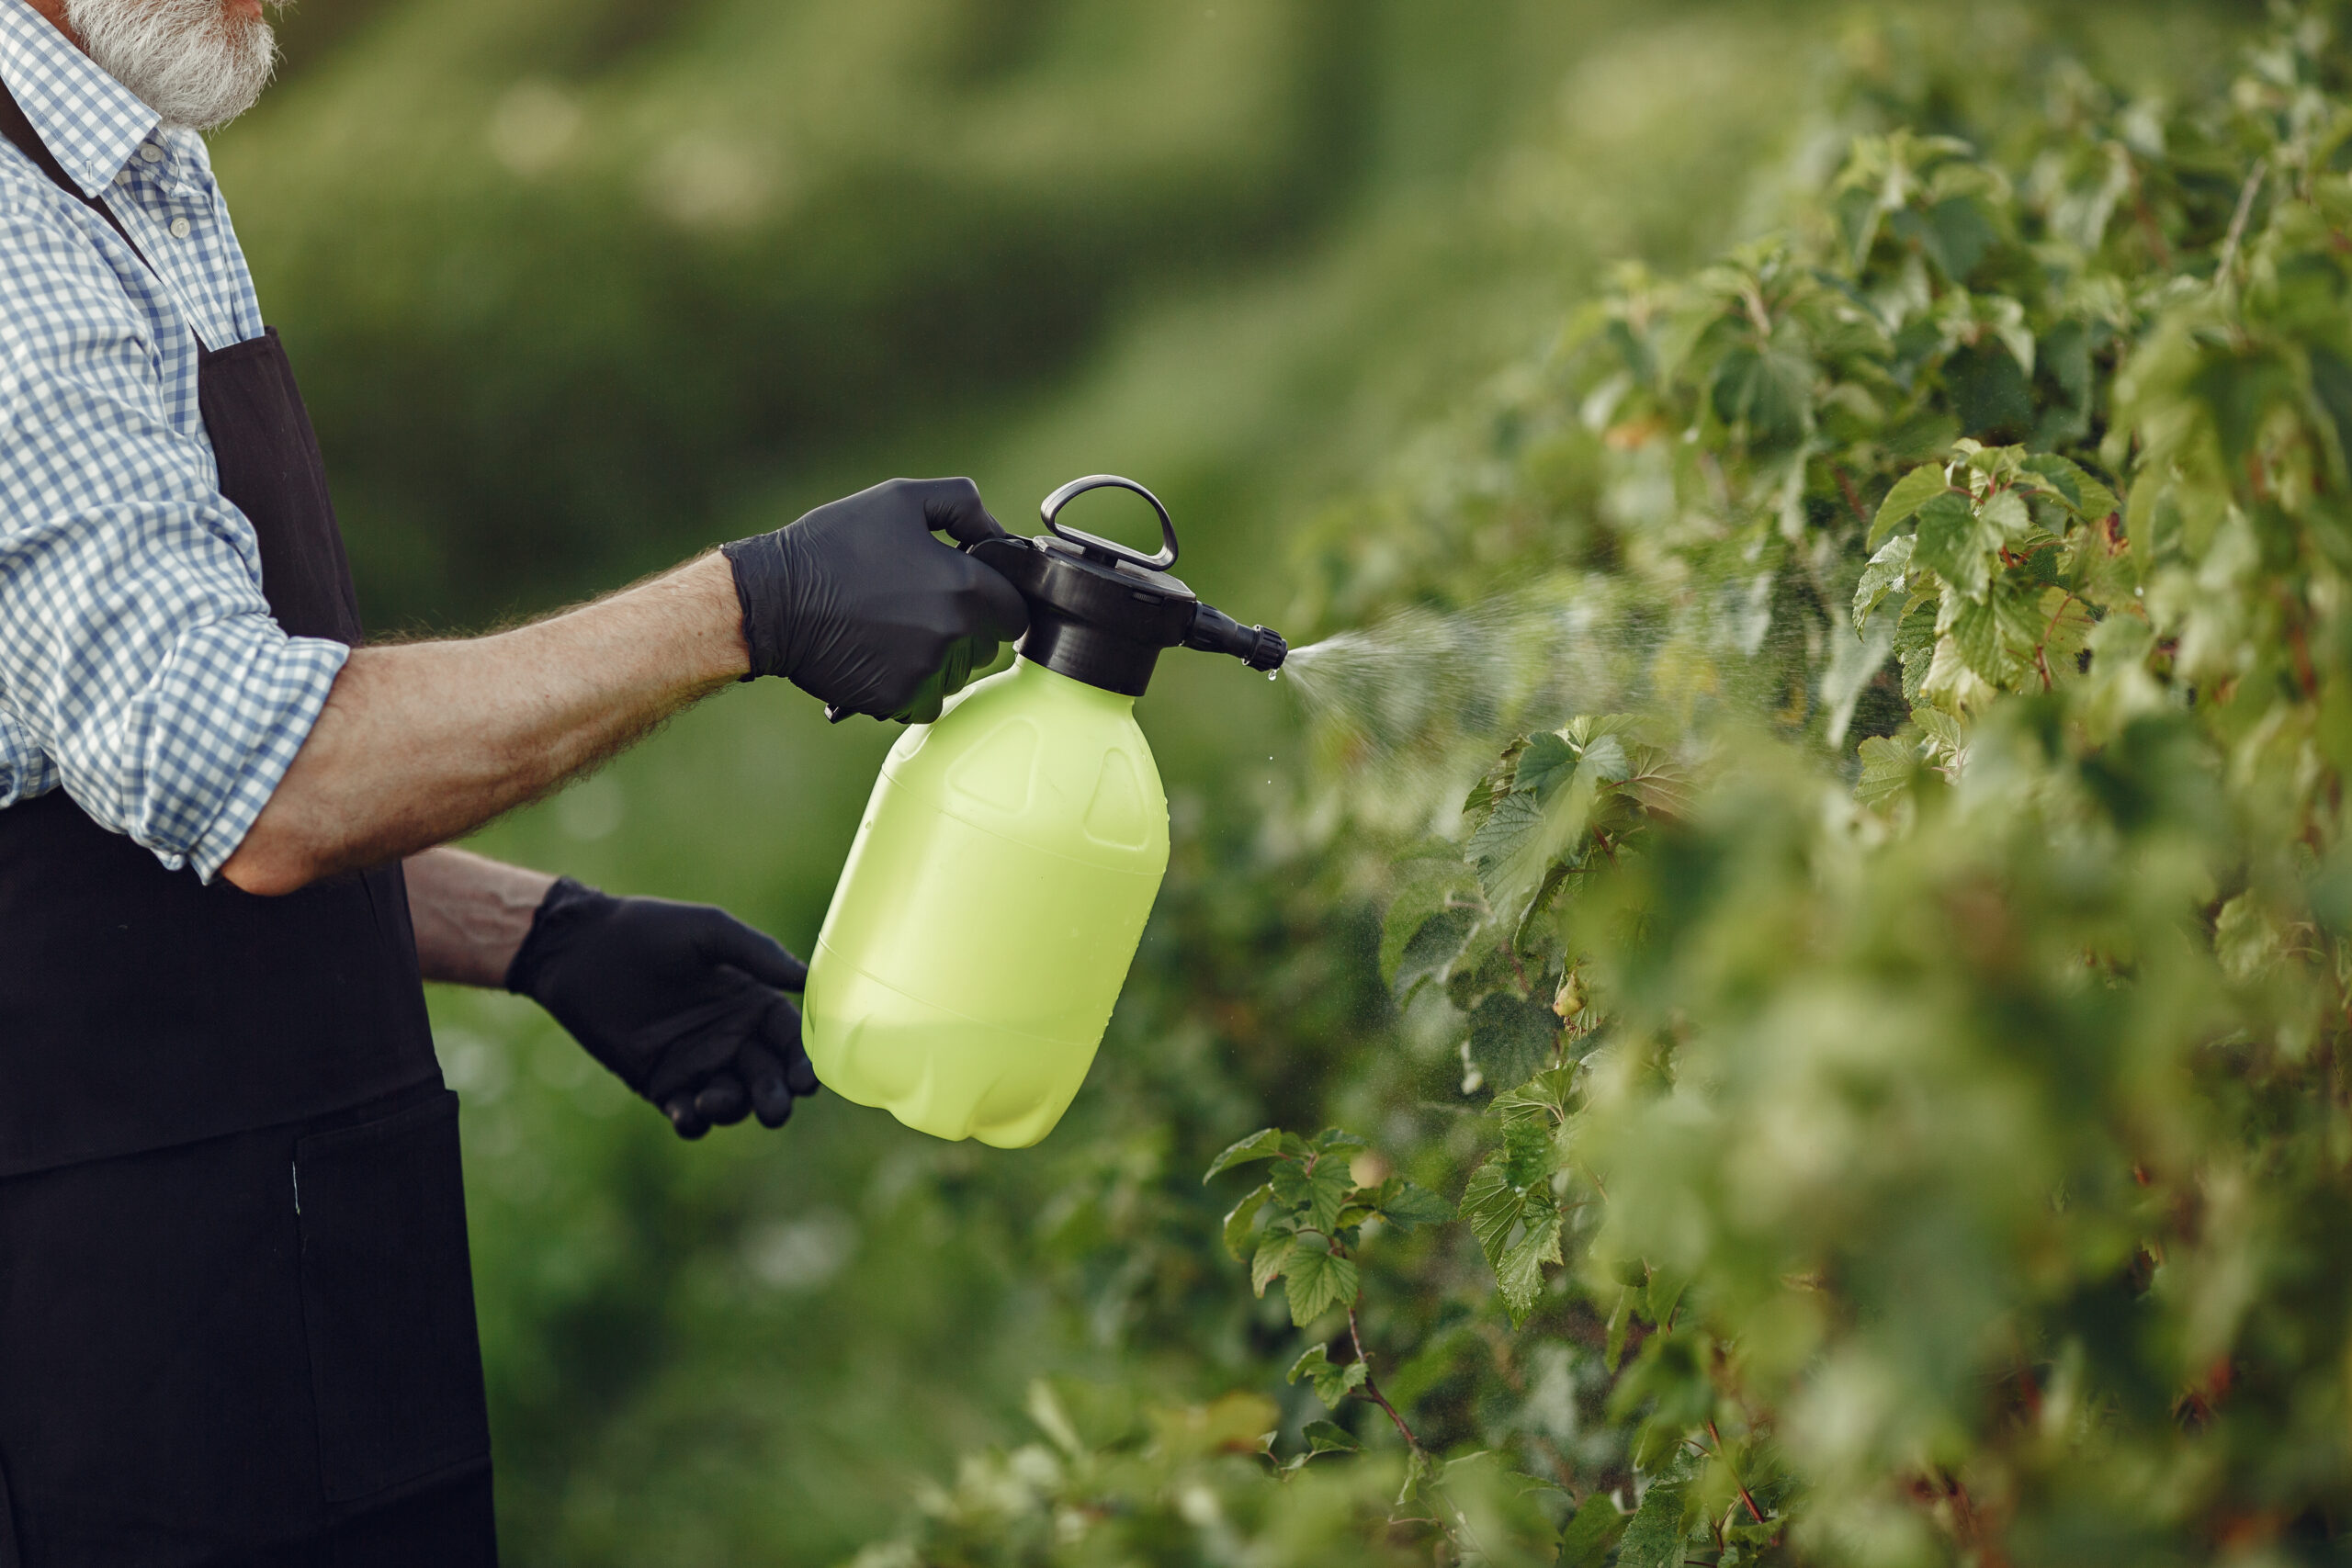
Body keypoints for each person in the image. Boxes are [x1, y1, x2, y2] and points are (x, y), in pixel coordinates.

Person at [0, 0, 1031, 1562]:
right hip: (110, 1353)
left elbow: (113, 787)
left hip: (278, 1269)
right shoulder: (14, 249)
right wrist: (746, 608)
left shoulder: (140, 171)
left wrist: (539, 933)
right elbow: (265, 776)